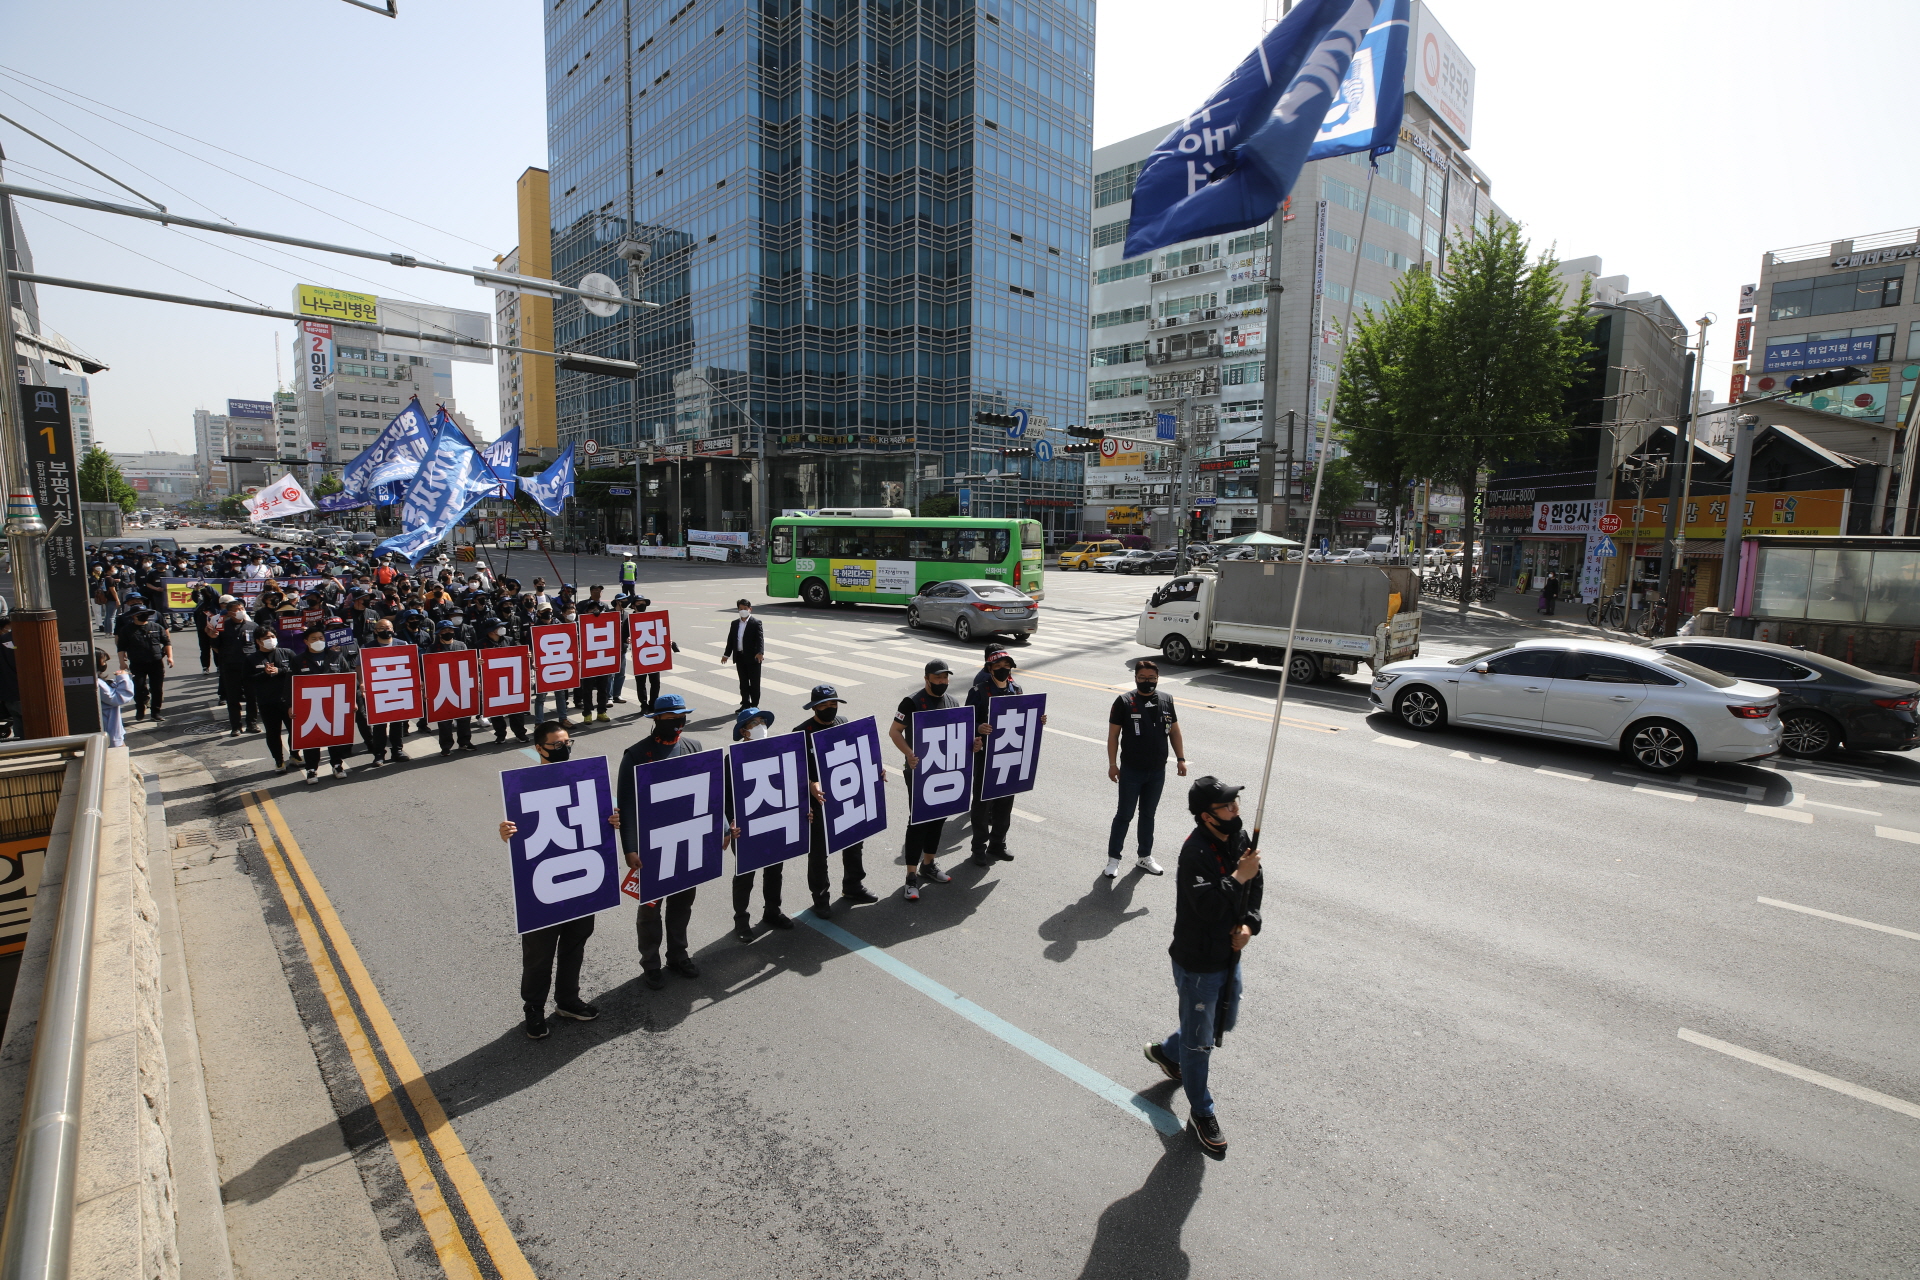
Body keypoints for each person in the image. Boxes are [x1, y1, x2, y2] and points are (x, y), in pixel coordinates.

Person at [1143, 776, 1263, 1157]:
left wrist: (1249, 925)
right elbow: (1208, 906)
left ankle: (1168, 1052)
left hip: (1229, 955)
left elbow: (1255, 884)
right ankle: (1201, 1111)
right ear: (1207, 816)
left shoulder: (1239, 839)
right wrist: (1238, 876)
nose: (1235, 810)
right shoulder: (1194, 852)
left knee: (1223, 1021)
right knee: (1200, 1044)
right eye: (1226, 806)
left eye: (1236, 803)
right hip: (1197, 964)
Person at [498, 721, 601, 1039]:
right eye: (556, 744)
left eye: (567, 743)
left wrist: (609, 819)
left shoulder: (584, 779)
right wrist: (506, 833)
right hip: (542, 885)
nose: (564, 749)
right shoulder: (523, 785)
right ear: (538, 748)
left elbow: (594, 823)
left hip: (579, 878)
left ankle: (567, 1000)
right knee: (539, 954)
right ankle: (534, 1008)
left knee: (575, 942)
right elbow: (519, 834)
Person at [613, 695, 705, 988]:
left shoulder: (693, 747)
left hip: (687, 840)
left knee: (682, 904)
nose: (677, 723)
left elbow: (709, 793)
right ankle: (650, 963)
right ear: (656, 720)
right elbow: (627, 805)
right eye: (670, 719)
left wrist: (723, 829)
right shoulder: (636, 755)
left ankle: (678, 955)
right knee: (650, 909)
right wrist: (630, 848)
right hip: (652, 847)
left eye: (682, 717)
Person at [791, 684, 877, 916]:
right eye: (824, 705)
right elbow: (793, 771)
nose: (830, 708)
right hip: (818, 802)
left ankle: (853, 886)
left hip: (846, 795)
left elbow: (858, 753)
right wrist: (810, 784)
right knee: (819, 853)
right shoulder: (801, 733)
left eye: (833, 704)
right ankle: (820, 898)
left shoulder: (843, 724)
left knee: (854, 841)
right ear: (814, 708)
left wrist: (874, 769)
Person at [1105, 656, 1185, 878]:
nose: (1147, 681)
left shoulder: (1167, 700)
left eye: (1151, 677)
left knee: (1148, 815)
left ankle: (1144, 856)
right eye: (1142, 677)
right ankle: (1113, 859)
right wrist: (1112, 764)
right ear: (1135, 678)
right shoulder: (1124, 701)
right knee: (1124, 815)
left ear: (1158, 678)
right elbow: (1113, 736)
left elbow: (1174, 731)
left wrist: (1180, 758)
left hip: (1157, 771)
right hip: (1131, 770)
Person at [887, 659, 960, 903]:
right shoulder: (912, 702)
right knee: (919, 820)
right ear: (927, 678)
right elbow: (894, 731)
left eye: (945, 677)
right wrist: (909, 754)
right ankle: (911, 876)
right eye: (938, 678)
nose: (942, 682)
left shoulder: (952, 702)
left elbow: (958, 735)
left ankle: (928, 864)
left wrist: (973, 744)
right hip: (919, 772)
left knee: (939, 817)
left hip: (944, 770)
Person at [727, 707, 792, 940]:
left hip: (773, 821)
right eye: (754, 724)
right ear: (743, 731)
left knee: (775, 870)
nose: (761, 726)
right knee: (745, 875)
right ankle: (741, 920)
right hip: (746, 828)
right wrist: (729, 825)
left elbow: (789, 785)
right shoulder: (732, 758)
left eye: (763, 722)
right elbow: (725, 797)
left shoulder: (777, 752)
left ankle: (772, 911)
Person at [965, 647, 1022, 868]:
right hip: (986, 756)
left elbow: (1022, 718)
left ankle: (998, 843)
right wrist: (978, 727)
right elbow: (965, 720)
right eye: (998, 666)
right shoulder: (979, 691)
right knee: (982, 804)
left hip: (1008, 754)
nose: (1002, 669)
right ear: (990, 669)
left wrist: (1038, 719)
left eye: (1006, 666)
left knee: (1005, 802)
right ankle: (979, 847)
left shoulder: (1016, 689)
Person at [289, 625, 357, 781]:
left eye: (321, 638)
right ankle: (311, 769)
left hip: (334, 703)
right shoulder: (298, 660)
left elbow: (348, 679)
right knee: (311, 737)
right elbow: (290, 685)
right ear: (306, 641)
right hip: (310, 705)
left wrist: (352, 701)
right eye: (313, 639)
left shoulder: (336, 656)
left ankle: (337, 765)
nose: (318, 641)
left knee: (335, 735)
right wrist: (290, 705)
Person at [206, 597, 261, 736]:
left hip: (250, 667)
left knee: (252, 697)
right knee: (233, 698)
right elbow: (215, 646)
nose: (240, 611)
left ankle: (252, 723)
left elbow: (259, 645)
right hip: (230, 667)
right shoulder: (222, 626)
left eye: (242, 609)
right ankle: (236, 726)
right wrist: (214, 638)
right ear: (229, 612)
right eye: (237, 610)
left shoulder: (253, 626)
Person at [245, 630, 296, 774]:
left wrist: (280, 670)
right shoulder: (251, 659)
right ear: (258, 641)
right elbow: (247, 680)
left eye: (273, 636)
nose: (270, 639)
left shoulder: (287, 653)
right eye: (266, 638)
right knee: (273, 733)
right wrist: (264, 674)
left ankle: (295, 755)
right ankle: (279, 760)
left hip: (288, 701)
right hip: (267, 702)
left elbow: (297, 671)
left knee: (294, 730)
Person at [116, 604, 174, 725]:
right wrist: (122, 662)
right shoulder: (127, 630)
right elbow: (121, 647)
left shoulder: (156, 627)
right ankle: (140, 708)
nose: (144, 616)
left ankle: (156, 712)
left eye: (146, 614)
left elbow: (167, 642)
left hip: (156, 662)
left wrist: (170, 657)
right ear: (134, 616)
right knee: (139, 688)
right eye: (141, 614)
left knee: (157, 689)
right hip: (137, 663)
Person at [430, 621, 478, 755]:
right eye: (444, 631)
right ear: (439, 633)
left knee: (464, 717)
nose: (448, 633)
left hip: (461, 685)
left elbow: (469, 665)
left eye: (450, 630)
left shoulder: (461, 645)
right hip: (442, 687)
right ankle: (446, 746)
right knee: (444, 719)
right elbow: (428, 669)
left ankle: (464, 742)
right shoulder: (433, 648)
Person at [721, 598, 764, 708]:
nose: (743, 610)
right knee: (743, 683)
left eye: (745, 608)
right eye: (741, 609)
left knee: (754, 683)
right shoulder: (735, 624)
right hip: (740, 657)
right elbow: (731, 640)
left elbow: (760, 639)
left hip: (753, 658)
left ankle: (754, 705)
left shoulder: (756, 623)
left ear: (750, 609)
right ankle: (745, 704)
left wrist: (760, 652)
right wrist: (726, 655)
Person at [96, 649, 134, 748]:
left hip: (108, 729)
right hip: (109, 729)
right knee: (118, 752)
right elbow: (119, 697)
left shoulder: (94, 680)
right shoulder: (97, 683)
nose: (104, 664)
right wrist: (123, 678)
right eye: (103, 661)